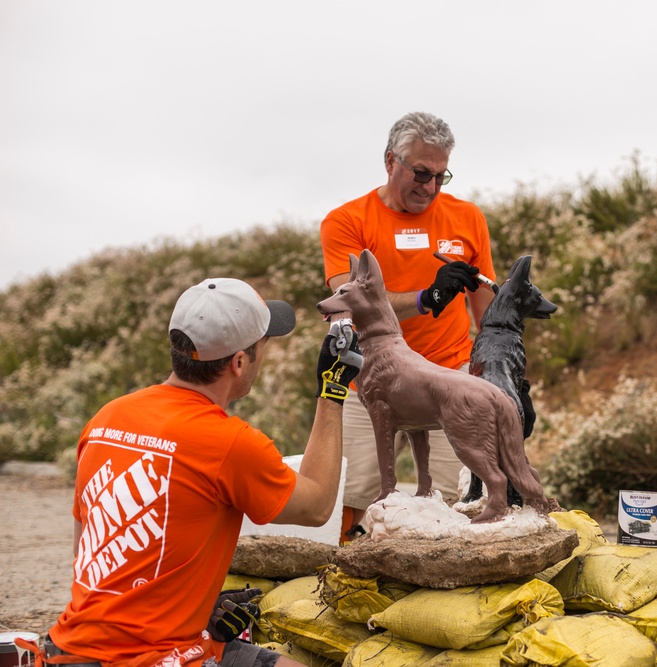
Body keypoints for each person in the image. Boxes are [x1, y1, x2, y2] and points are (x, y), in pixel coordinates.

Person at [43, 278, 363, 667]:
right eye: (262, 346)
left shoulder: (107, 418)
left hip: (71, 646)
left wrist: (196, 601)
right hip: (153, 657)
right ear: (239, 362)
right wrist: (332, 391)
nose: (264, 355)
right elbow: (316, 506)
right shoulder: (229, 443)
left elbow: (88, 553)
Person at [320, 111, 496, 539]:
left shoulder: (468, 218)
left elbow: (485, 307)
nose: (430, 187)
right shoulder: (347, 221)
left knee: (453, 507)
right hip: (372, 384)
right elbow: (351, 305)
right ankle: (340, 574)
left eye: (441, 175)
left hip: (447, 380)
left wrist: (497, 367)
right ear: (389, 161)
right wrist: (427, 298)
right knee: (348, 498)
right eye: (420, 173)